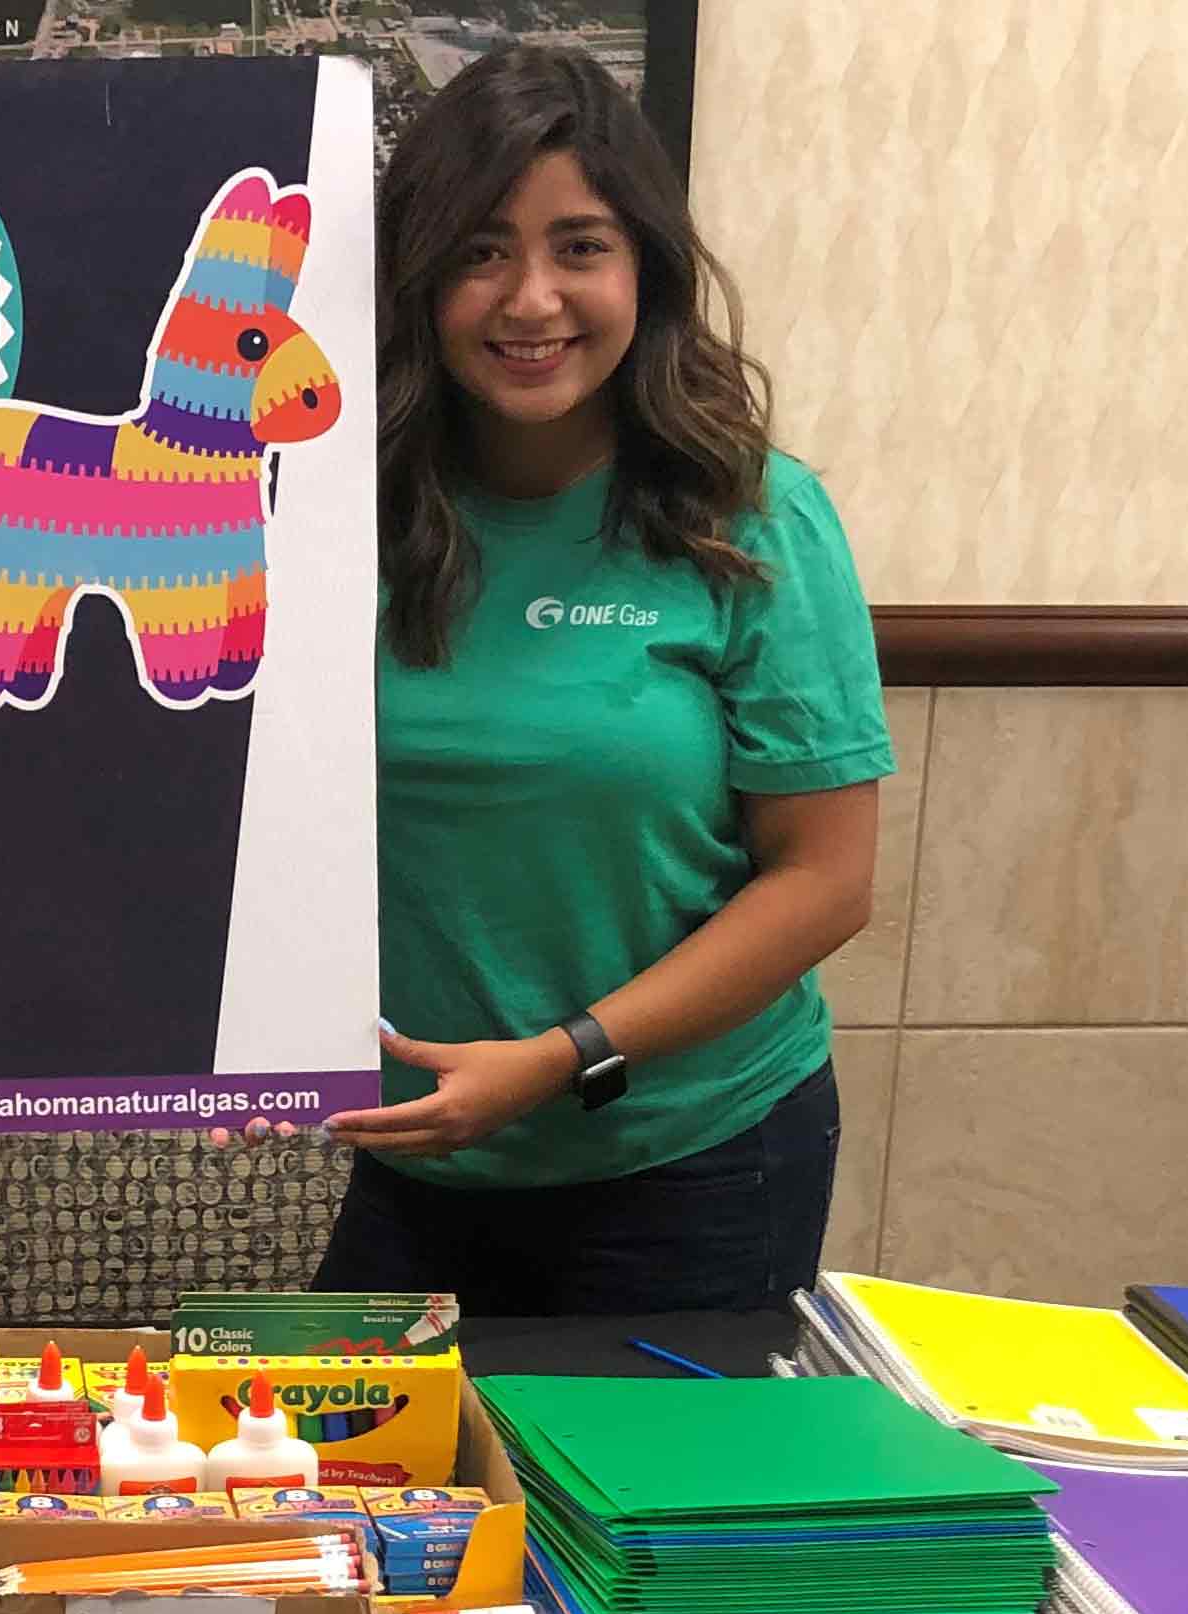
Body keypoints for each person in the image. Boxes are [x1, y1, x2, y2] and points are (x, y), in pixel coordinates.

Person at [238, 44, 890, 1319]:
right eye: (480, 251)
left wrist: (560, 1059)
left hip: (695, 1157)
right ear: (417, 280)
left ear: (645, 265)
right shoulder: (321, 516)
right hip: (426, 1157)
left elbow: (824, 879)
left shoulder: (749, 516)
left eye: (579, 246)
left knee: (649, 1521)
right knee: (382, 1502)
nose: (529, 298)